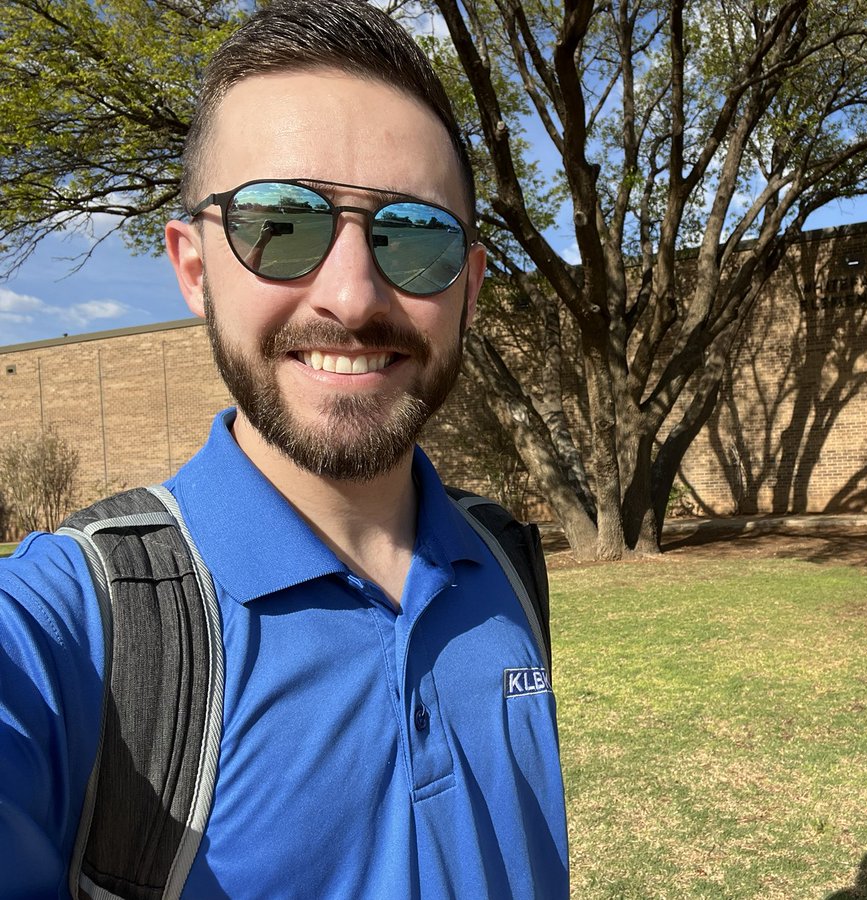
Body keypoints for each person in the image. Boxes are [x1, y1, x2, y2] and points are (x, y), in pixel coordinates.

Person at [0, 1, 569, 897]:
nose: (351, 293)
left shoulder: (505, 563)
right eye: (282, 225)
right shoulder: (77, 624)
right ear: (194, 266)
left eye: (415, 235)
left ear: (470, 283)